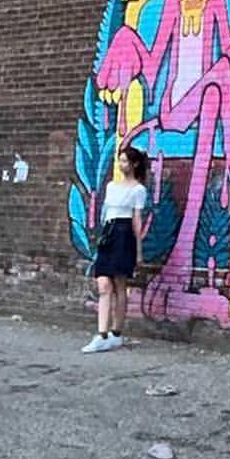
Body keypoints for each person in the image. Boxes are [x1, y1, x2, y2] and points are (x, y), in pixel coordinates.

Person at [82, 144, 149, 353]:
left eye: (125, 161)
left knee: (120, 284)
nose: (121, 164)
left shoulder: (139, 190)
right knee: (103, 284)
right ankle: (101, 334)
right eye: (120, 160)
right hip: (109, 233)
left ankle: (115, 333)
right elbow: (105, 212)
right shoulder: (111, 186)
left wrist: (139, 250)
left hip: (124, 233)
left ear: (134, 164)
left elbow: (136, 220)